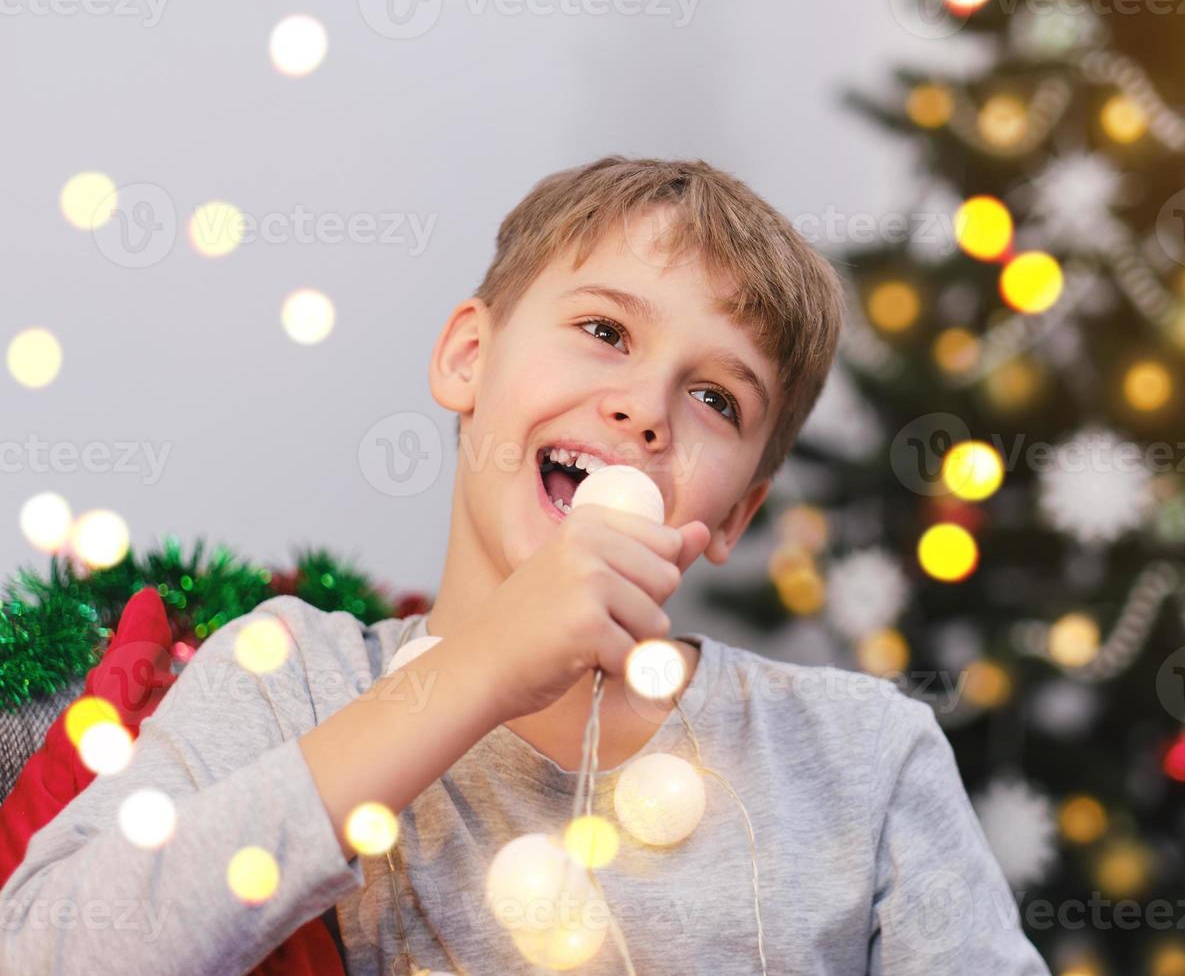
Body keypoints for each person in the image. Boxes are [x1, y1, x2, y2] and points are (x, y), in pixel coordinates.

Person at [0, 156, 1049, 974]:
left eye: (717, 398)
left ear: (736, 512)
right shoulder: (290, 676)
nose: (645, 407)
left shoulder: (862, 753)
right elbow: (46, 949)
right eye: (604, 329)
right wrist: (479, 667)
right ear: (468, 356)